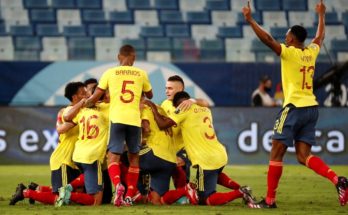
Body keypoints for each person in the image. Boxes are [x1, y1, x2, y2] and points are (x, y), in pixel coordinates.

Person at [242, 0, 348, 208]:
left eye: (288, 34)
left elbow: (267, 39)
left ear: (292, 38)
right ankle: (339, 181)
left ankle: (270, 201)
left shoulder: (289, 52)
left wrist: (250, 20)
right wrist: (321, 15)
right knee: (303, 156)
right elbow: (320, 37)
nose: (285, 37)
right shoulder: (311, 52)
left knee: (276, 151)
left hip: (293, 108)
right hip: (311, 108)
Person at [84, 44, 153, 206]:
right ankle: (129, 194)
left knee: (112, 156)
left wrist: (86, 103)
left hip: (117, 118)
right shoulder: (141, 73)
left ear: (118, 57)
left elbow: (96, 95)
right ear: (134, 58)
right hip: (134, 120)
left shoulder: (109, 73)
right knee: (134, 158)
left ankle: (118, 186)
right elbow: (150, 94)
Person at [170, 91, 255, 206]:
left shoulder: (182, 111)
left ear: (178, 105)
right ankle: (241, 188)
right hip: (220, 154)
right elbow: (205, 103)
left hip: (205, 159)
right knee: (215, 175)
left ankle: (240, 192)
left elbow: (165, 125)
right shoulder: (205, 110)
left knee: (205, 199)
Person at [9, 82, 87, 206]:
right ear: (74, 97)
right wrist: (76, 122)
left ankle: (37, 189)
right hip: (64, 160)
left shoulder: (83, 111)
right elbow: (61, 128)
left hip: (74, 161)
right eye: (83, 93)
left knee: (76, 194)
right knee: (64, 199)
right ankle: (26, 192)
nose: (87, 95)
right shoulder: (67, 111)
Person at [56, 86, 110, 206]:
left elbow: (65, 120)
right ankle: (68, 194)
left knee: (86, 185)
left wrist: (81, 104)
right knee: (96, 201)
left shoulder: (81, 111)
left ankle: (69, 188)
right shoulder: (107, 108)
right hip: (92, 156)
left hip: (78, 156)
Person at [139, 97, 198, 205]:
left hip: (154, 153)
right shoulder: (161, 109)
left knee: (123, 157)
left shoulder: (144, 107)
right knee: (157, 200)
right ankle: (185, 189)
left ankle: (133, 194)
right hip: (169, 159)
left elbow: (146, 129)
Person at [161, 75, 209, 189]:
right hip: (171, 147)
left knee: (177, 162)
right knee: (180, 185)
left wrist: (193, 100)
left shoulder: (187, 103)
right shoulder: (165, 104)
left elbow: (206, 103)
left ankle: (188, 191)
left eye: (170, 88)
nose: (167, 91)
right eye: (166, 88)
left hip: (185, 147)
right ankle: (187, 191)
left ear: (181, 89)